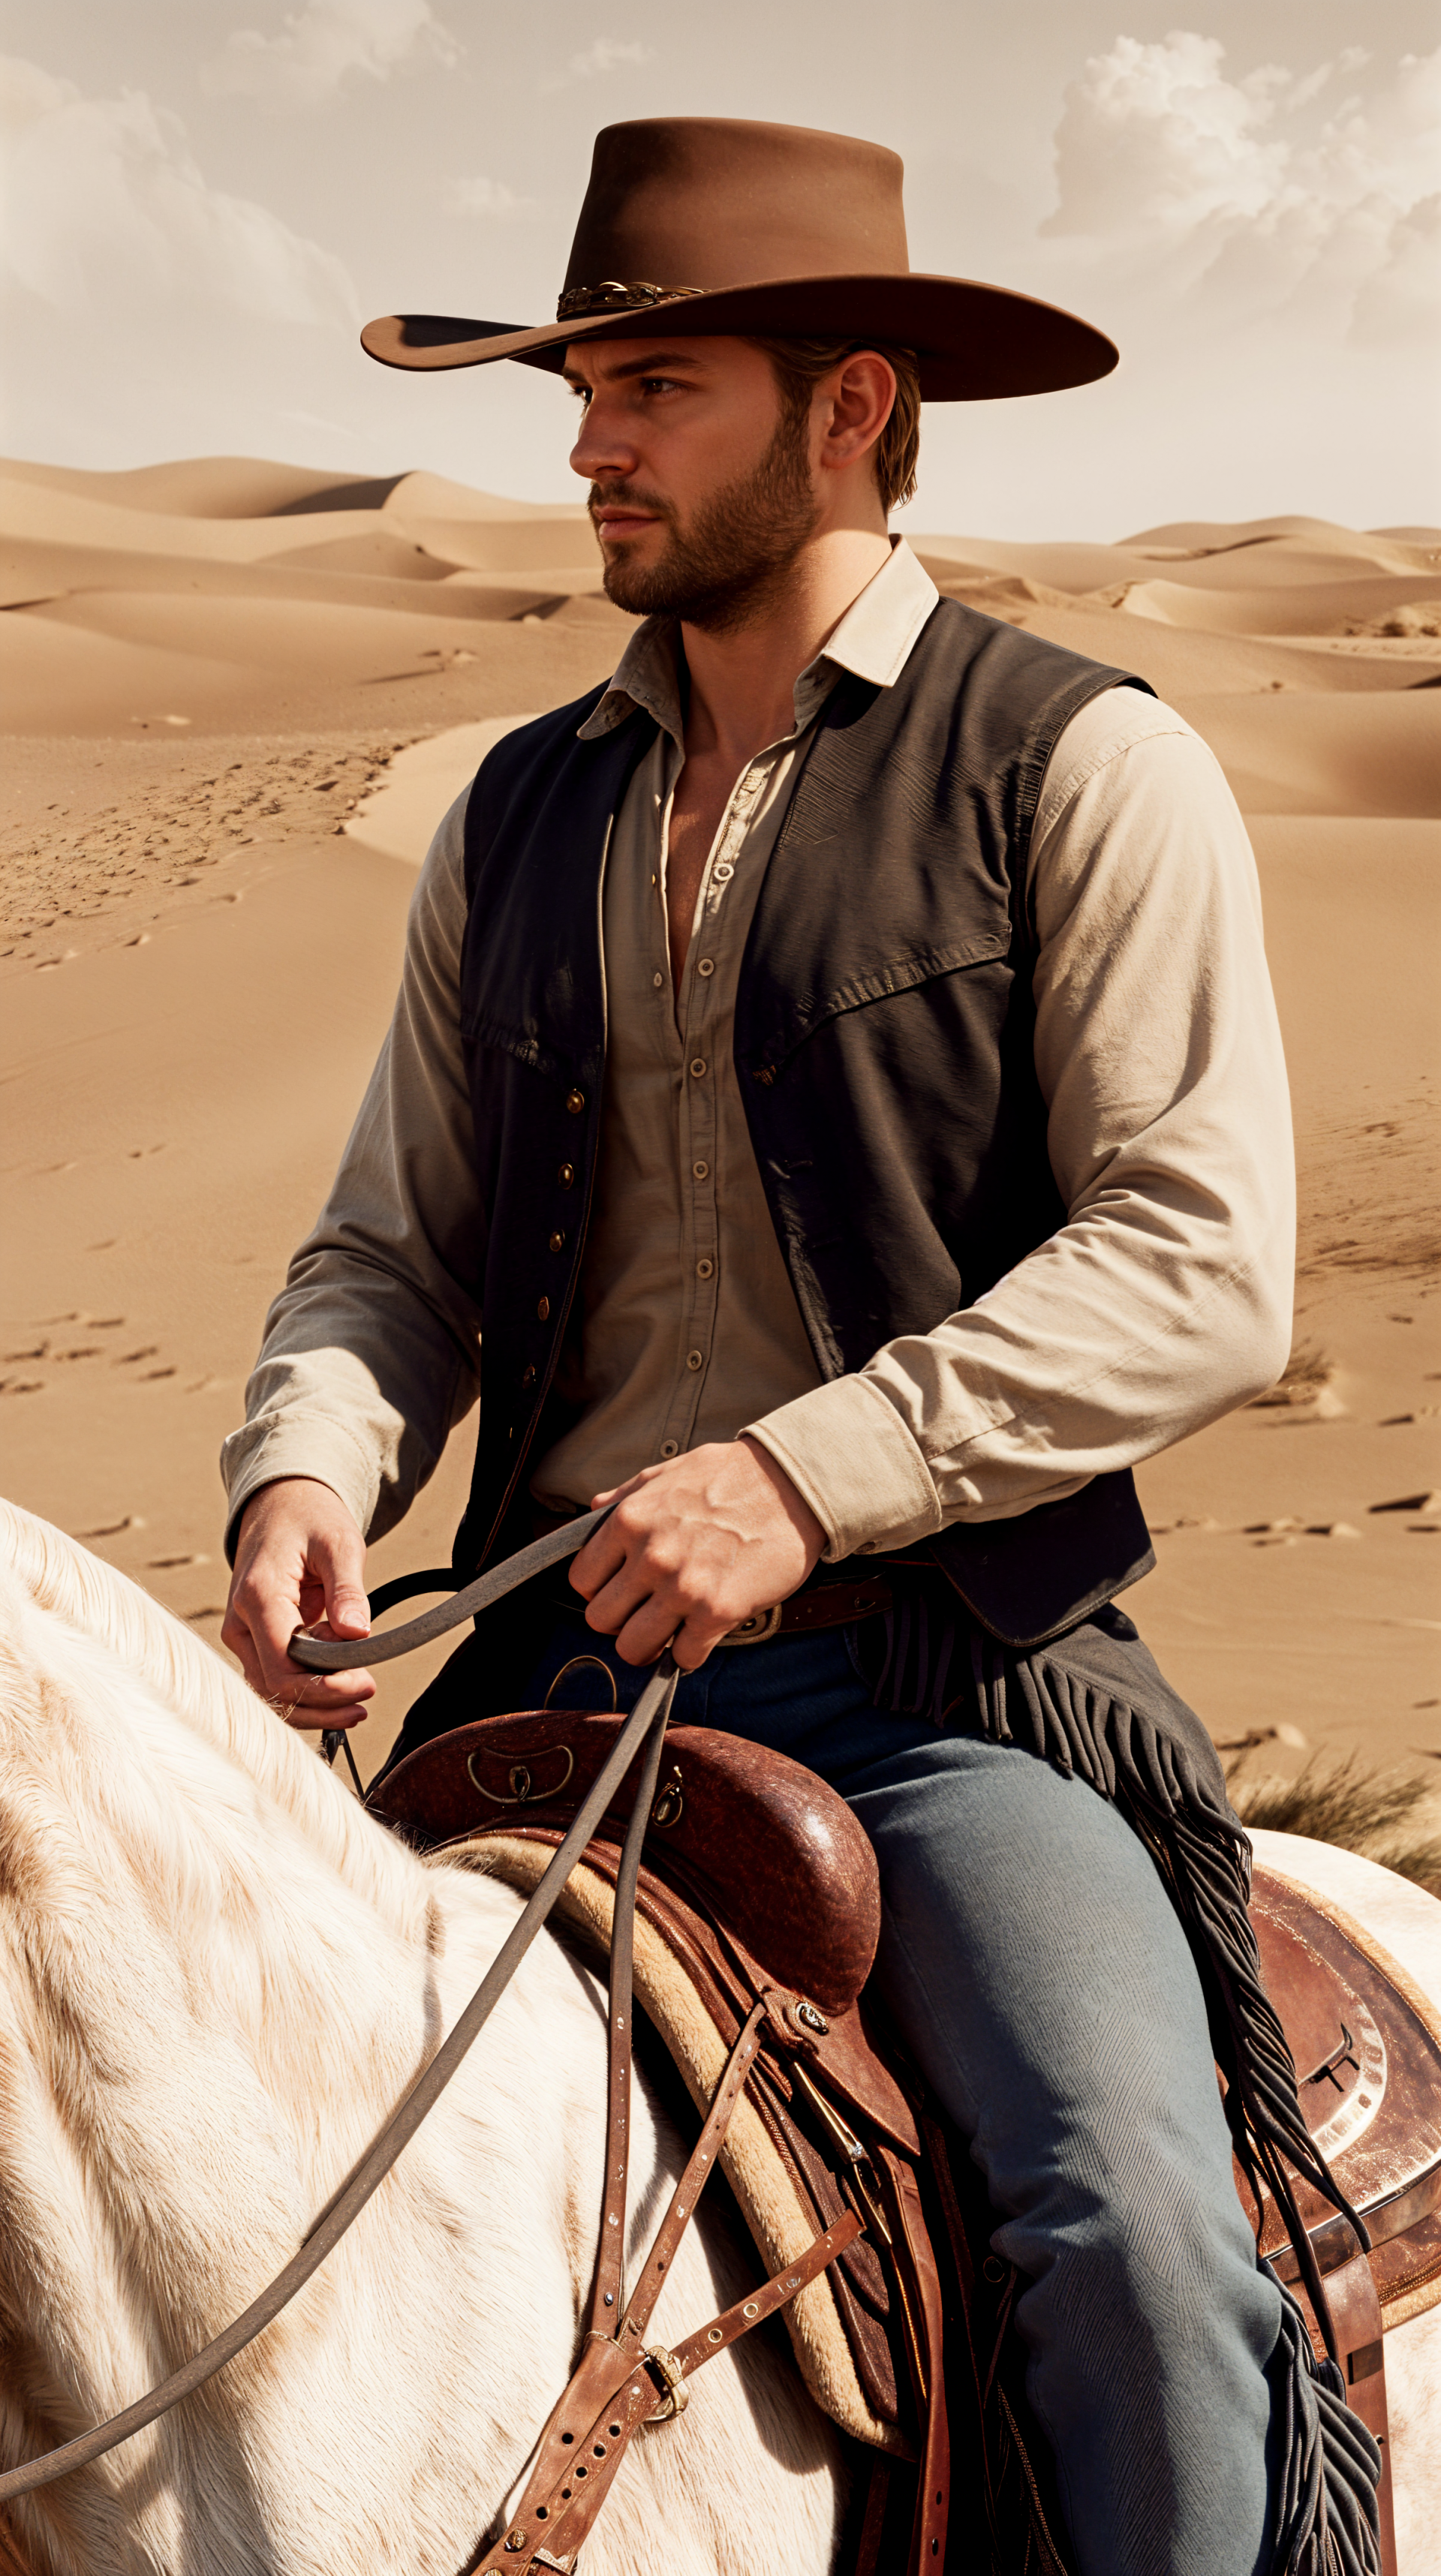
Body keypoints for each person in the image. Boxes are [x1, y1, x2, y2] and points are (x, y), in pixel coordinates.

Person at [221, 121, 1379, 2576]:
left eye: (653, 389)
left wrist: (807, 1474)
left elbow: (1202, 1256)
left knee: (1135, 2247)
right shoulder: (514, 816)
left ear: (850, 407)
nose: (590, 447)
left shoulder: (1081, 765)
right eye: (581, 393)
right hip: (526, 1689)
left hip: (932, 1694)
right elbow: (392, 1250)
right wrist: (306, 1466)